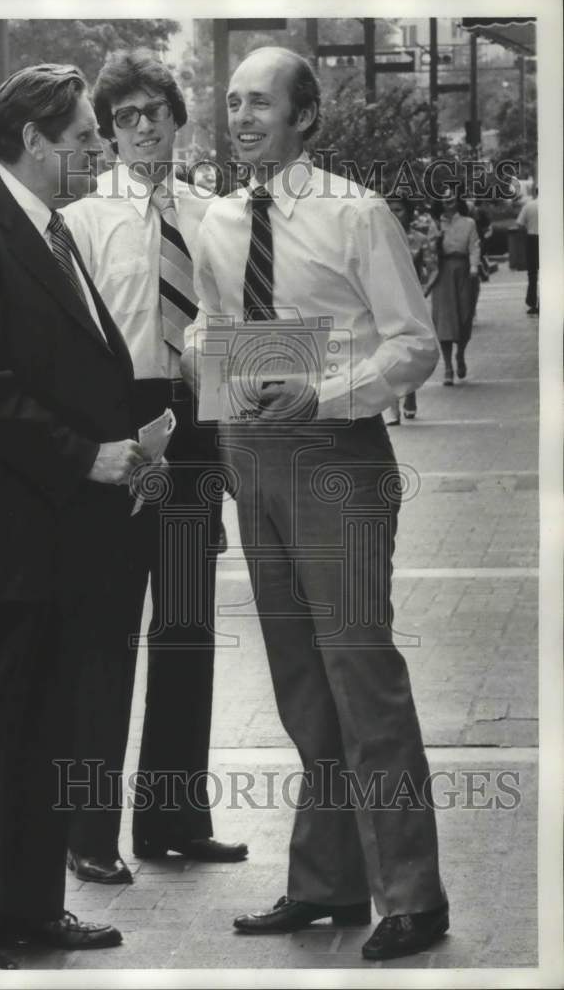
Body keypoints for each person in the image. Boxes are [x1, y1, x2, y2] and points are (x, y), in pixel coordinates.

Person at [181, 47, 449, 961]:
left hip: (337, 455)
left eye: (261, 103)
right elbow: (213, 324)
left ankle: (413, 896)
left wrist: (324, 395)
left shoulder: (354, 211)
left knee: (360, 674)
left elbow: (412, 344)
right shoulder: (217, 217)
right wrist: (203, 355)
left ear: (305, 118)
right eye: (233, 103)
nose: (242, 117)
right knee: (300, 681)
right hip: (251, 449)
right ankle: (327, 881)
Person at [0, 64, 147, 968]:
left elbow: (65, 362)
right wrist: (85, 453)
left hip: (62, 538)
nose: (97, 147)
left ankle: (31, 906)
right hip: (2, 542)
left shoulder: (51, 230)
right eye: (85, 134)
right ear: (37, 139)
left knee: (50, 722)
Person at [62, 49, 247, 884]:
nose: (142, 127)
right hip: (118, 433)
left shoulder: (217, 216)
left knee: (184, 633)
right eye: (125, 117)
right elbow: (66, 348)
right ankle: (87, 835)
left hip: (197, 428)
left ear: (176, 117)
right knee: (103, 641)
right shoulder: (80, 222)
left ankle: (174, 820)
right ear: (106, 133)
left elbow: (240, 338)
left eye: (154, 111)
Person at [383, 196, 435, 423]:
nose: (395, 214)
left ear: (409, 212)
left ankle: (410, 393)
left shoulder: (420, 240)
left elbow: (433, 268)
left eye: (399, 210)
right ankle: (391, 406)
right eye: (390, 210)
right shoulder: (376, 239)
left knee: (408, 349)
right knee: (385, 350)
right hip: (383, 300)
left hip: (410, 302)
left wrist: (423, 291)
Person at [427, 188, 480, 384]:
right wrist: (436, 240)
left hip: (465, 271)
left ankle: (461, 354)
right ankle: (448, 366)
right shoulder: (434, 224)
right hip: (442, 272)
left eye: (451, 199)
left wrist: (474, 267)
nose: (448, 202)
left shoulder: (469, 223)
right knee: (444, 320)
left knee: (465, 317)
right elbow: (428, 250)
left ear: (457, 201)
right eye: (444, 200)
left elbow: (475, 246)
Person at [516, 186, 539, 315]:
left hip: (532, 238)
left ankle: (532, 302)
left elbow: (519, 224)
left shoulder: (529, 206)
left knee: (532, 273)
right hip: (549, 239)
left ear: (535, 192)